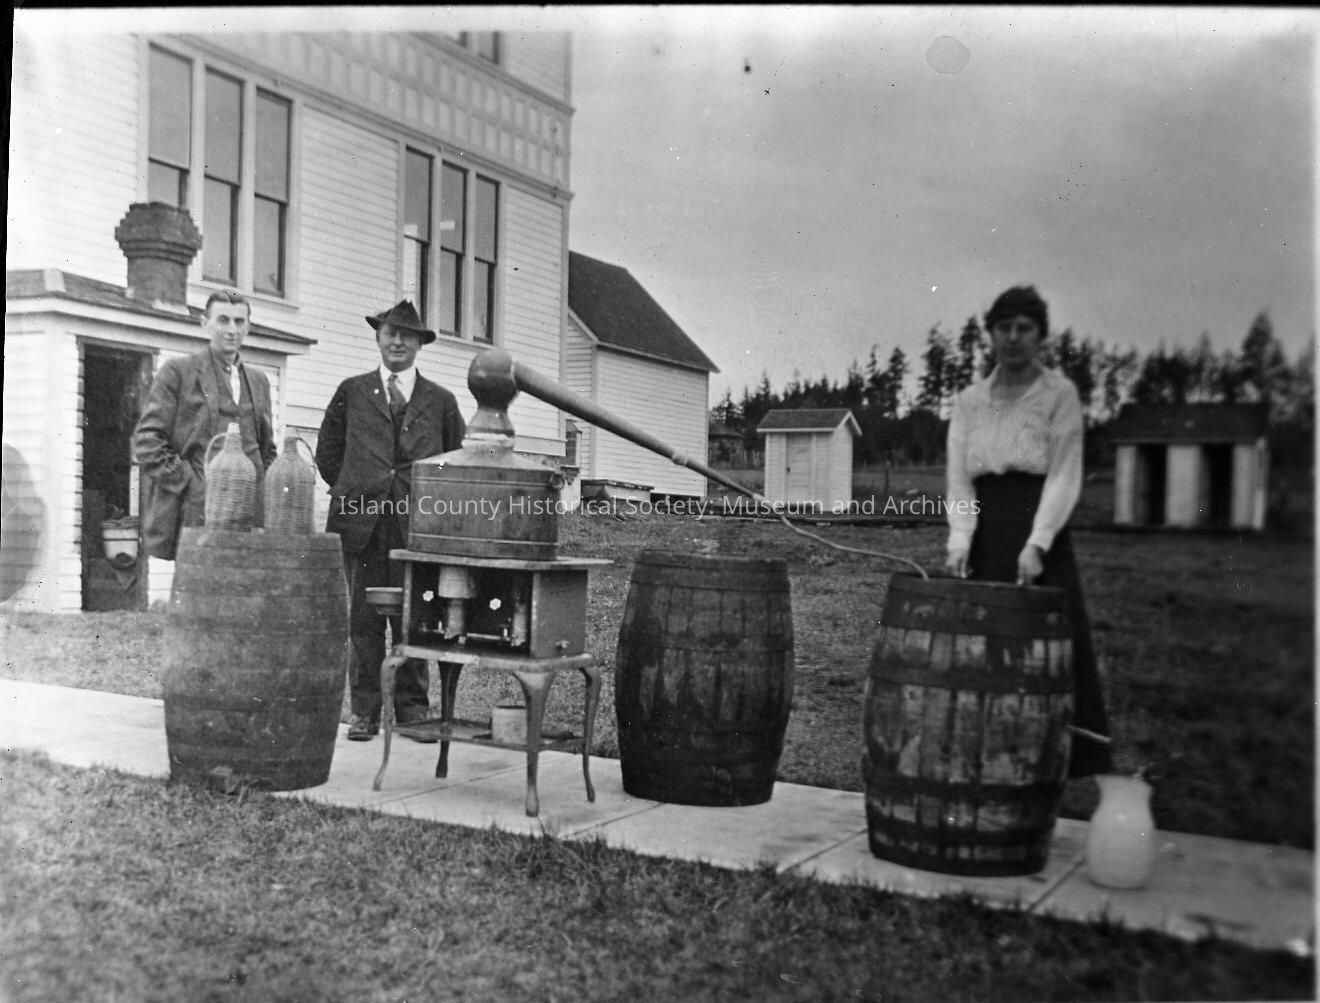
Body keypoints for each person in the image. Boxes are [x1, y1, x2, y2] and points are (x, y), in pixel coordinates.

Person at [944, 285, 1114, 777]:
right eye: (1004, 328)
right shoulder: (970, 401)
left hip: (1041, 530)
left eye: (1024, 328)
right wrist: (960, 538)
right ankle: (986, 757)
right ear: (991, 334)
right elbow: (959, 478)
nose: (1013, 338)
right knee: (984, 647)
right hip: (986, 532)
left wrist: (1038, 543)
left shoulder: (1059, 395)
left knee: (1050, 649)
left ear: (1040, 335)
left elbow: (1064, 474)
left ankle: (1053, 760)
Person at [315, 300, 466, 741]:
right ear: (378, 338)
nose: (397, 341)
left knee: (414, 618)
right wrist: (358, 486)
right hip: (360, 526)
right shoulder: (352, 391)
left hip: (415, 528)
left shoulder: (441, 402)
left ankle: (412, 711)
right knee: (363, 621)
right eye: (390, 333)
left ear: (420, 344)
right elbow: (328, 454)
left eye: (407, 335)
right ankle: (364, 713)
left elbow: (454, 463)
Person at [133, 290, 277, 561]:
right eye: (223, 320)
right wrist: (192, 484)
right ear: (205, 323)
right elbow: (147, 443)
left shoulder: (259, 381)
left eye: (239, 321)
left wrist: (263, 492)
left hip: (252, 518)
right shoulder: (179, 372)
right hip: (199, 513)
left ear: (248, 327)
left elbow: (268, 450)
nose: (232, 330)